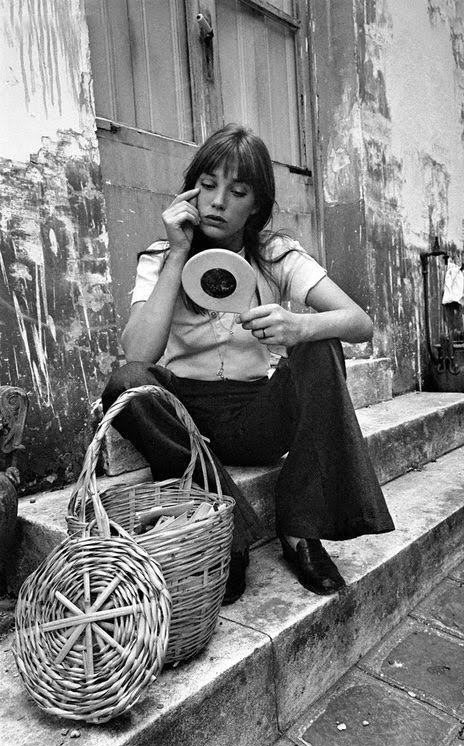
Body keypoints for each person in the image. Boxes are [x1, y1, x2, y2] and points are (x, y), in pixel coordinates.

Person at [102, 123, 395, 605]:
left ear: (255, 203)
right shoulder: (159, 258)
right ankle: (230, 536)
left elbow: (359, 323)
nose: (218, 201)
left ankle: (300, 530)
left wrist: (299, 327)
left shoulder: (275, 254)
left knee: (321, 346)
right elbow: (138, 354)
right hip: (186, 419)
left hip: (256, 414)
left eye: (236, 191)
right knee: (128, 383)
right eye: (209, 185)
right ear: (191, 190)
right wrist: (178, 253)